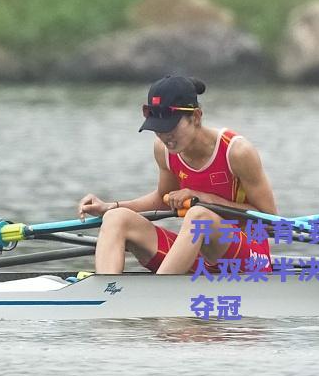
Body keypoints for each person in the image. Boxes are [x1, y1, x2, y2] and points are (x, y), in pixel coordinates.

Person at [78, 74, 278, 276]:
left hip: (250, 257)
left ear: (197, 117)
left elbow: (270, 220)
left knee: (199, 216)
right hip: (199, 257)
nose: (165, 137)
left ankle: (159, 295)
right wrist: (110, 206)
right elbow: (163, 199)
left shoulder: (237, 152)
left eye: (171, 127)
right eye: (158, 128)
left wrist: (203, 200)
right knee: (116, 219)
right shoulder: (163, 151)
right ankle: (107, 294)